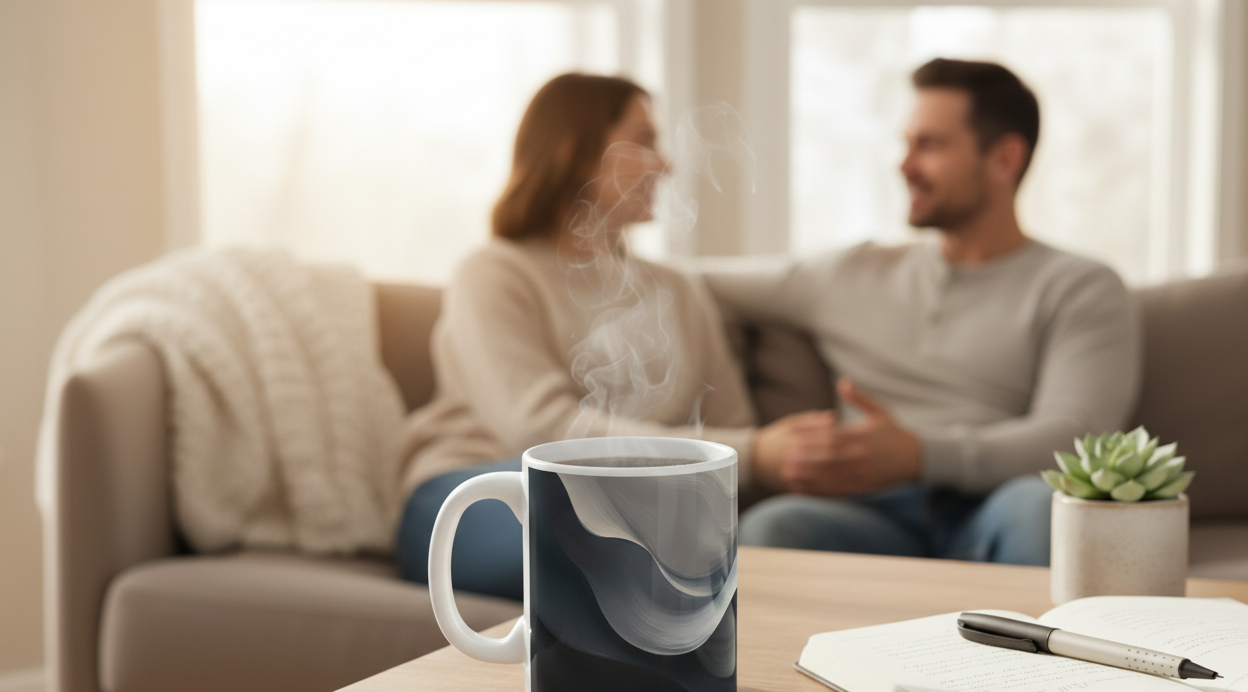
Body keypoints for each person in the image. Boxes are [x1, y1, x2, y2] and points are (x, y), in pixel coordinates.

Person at [710, 58, 1141, 566]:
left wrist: (920, 454)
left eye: (930, 145)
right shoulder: (848, 273)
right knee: (772, 527)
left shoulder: (1080, 286)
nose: (904, 164)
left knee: (1041, 508)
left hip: (996, 504)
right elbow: (692, 283)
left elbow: (1074, 436)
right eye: (906, 143)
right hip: (869, 511)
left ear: (1004, 159)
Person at [394, 73, 758, 599]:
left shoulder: (678, 291)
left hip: (635, 507)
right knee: (598, 537)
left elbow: (731, 436)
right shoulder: (495, 272)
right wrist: (760, 453)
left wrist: (756, 457)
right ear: (574, 150)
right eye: (643, 142)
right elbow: (539, 431)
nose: (667, 164)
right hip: (475, 491)